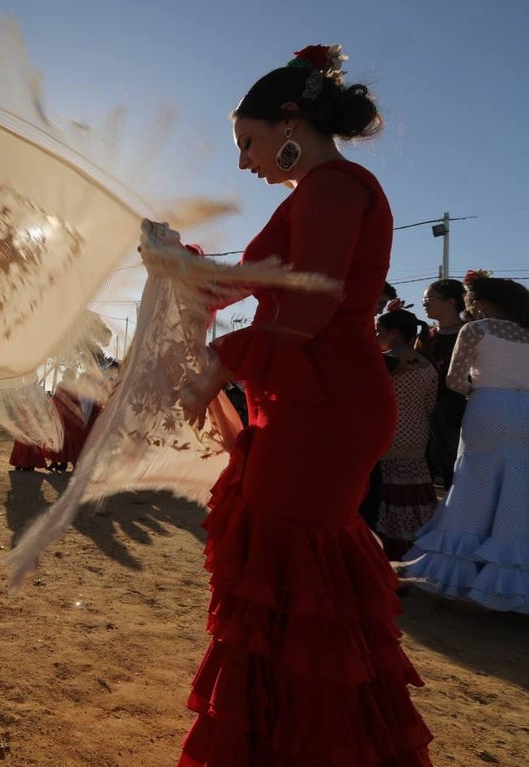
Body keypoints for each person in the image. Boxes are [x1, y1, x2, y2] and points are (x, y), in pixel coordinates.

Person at [173, 45, 432, 765]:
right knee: (294, 575)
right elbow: (239, 287)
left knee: (293, 570)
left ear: (289, 120)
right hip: (311, 398)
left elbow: (310, 307)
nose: (243, 162)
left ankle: (297, 743)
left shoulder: (334, 187)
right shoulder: (319, 192)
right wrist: (174, 260)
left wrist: (220, 362)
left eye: (247, 142)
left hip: (327, 402)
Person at [405, 275, 529, 613]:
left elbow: (455, 380)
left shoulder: (477, 330)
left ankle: (457, 573)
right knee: (518, 488)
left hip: (488, 407)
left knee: (474, 484)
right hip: (525, 412)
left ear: (483, 303)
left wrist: (480, 390)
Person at [375, 306, 439, 560]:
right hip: (417, 433)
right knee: (414, 489)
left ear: (393, 333)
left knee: (388, 490)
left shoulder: (386, 362)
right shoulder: (427, 365)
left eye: (379, 330)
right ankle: (419, 541)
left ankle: (391, 545)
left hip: (388, 430)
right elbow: (429, 405)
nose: (376, 335)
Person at [416, 278, 468, 487]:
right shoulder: (425, 337)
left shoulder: (471, 333)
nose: (424, 304)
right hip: (428, 414)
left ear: (451, 302)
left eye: (429, 299)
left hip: (462, 412)